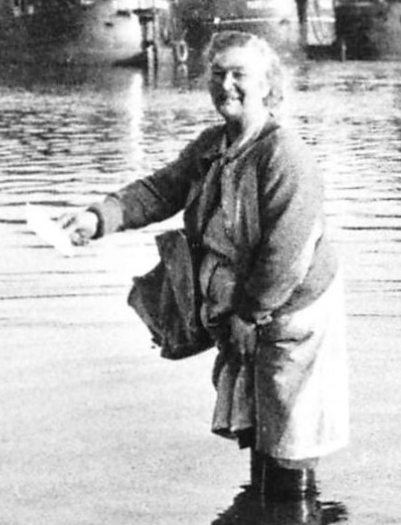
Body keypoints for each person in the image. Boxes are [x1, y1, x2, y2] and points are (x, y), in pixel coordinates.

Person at [56, 31, 348, 499]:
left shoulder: (284, 154)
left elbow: (287, 254)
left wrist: (248, 317)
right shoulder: (214, 145)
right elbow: (160, 190)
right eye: (218, 74)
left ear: (269, 85)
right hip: (244, 309)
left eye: (240, 75)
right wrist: (98, 217)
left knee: (291, 434)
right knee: (259, 424)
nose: (226, 85)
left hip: (290, 311)